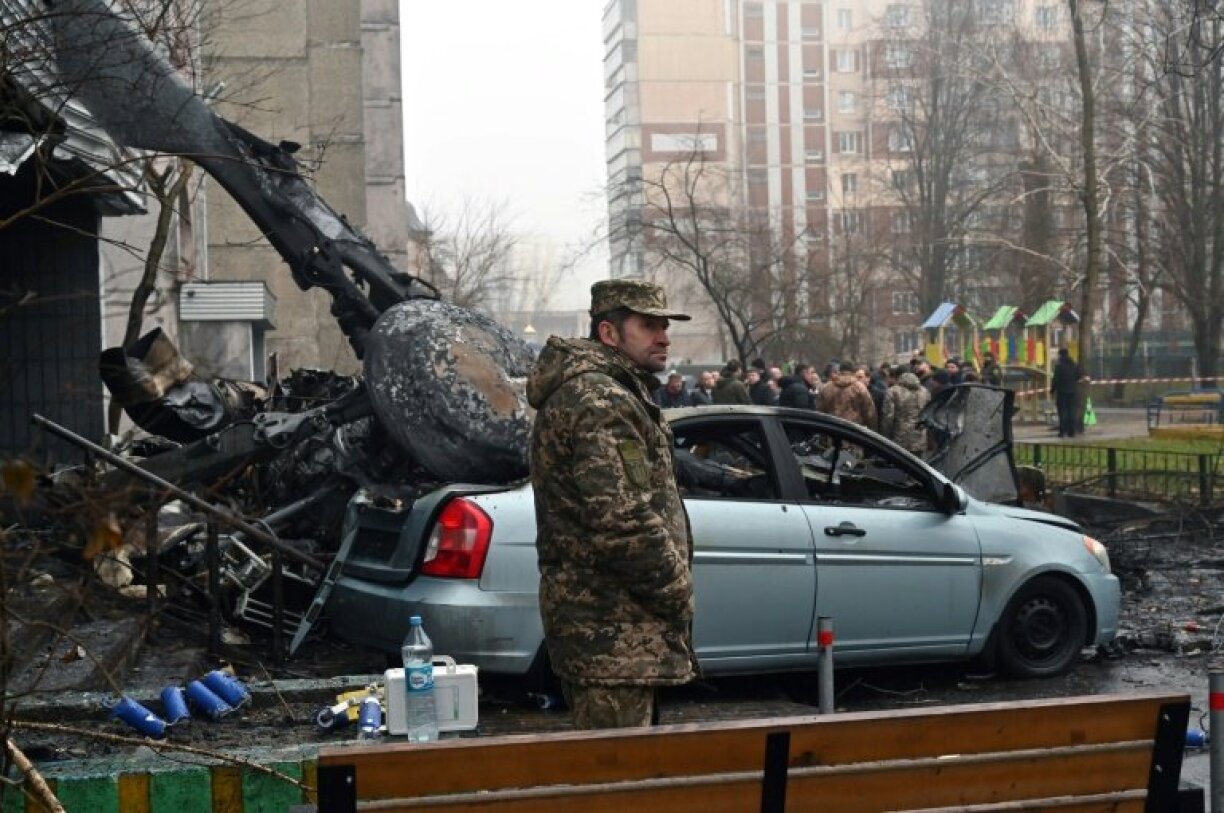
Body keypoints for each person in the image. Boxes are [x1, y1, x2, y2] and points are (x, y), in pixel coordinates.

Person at [526, 279, 698, 729]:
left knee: (626, 779)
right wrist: (677, 591)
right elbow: (622, 518)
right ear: (608, 333)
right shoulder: (600, 400)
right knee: (618, 784)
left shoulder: (613, 393)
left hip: (618, 634)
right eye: (648, 325)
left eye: (664, 325)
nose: (663, 336)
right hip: (611, 633)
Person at [881, 365, 931, 455]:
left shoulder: (893, 391)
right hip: (920, 437)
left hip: (900, 438)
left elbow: (888, 417)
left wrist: (885, 437)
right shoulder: (925, 391)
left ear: (897, 376)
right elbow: (929, 414)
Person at [817, 360, 878, 429]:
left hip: (832, 430)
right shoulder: (860, 388)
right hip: (854, 433)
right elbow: (870, 413)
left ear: (840, 370)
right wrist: (872, 430)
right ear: (853, 371)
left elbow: (820, 411)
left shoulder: (826, 388)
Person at [1051, 347, 1082, 438]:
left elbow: (1055, 379)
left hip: (1062, 392)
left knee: (1062, 412)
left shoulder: (1059, 366)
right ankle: (1071, 431)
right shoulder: (1074, 365)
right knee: (1071, 411)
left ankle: (1062, 431)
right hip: (1073, 392)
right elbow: (1079, 376)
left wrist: (1052, 390)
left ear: (1060, 355)